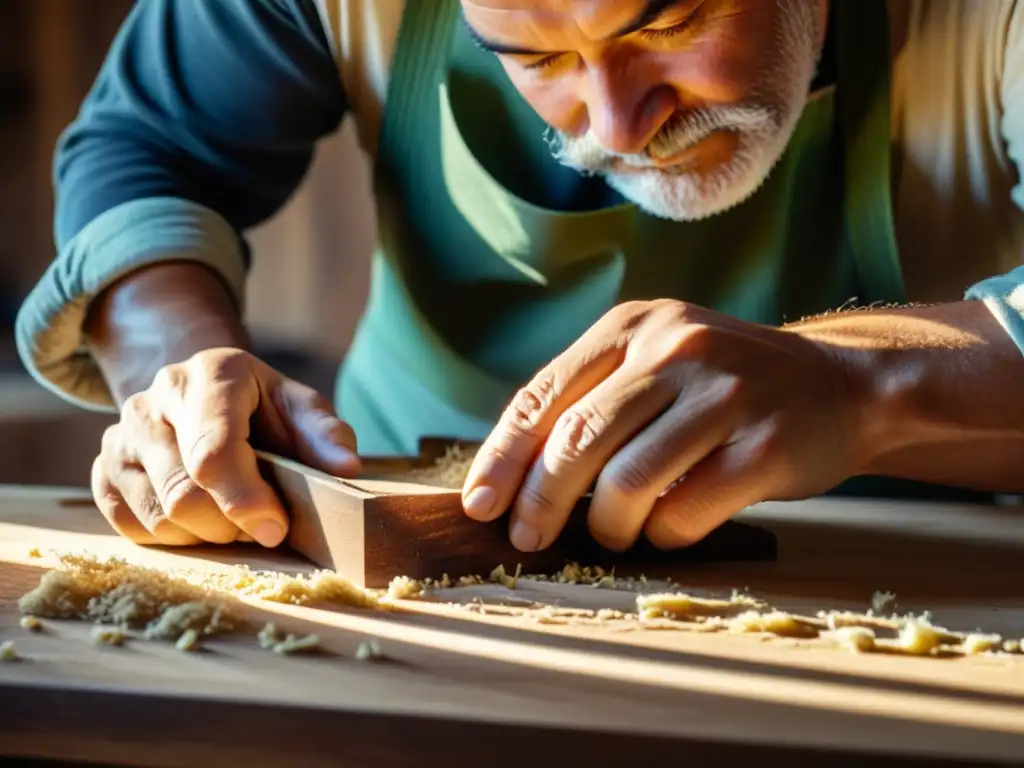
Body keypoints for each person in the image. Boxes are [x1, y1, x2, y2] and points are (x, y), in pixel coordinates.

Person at [16, 0, 1024, 555]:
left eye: (668, 24)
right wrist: (180, 375)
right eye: (532, 56)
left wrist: (859, 386)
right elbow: (146, 150)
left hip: (896, 578)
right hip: (382, 583)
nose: (618, 128)